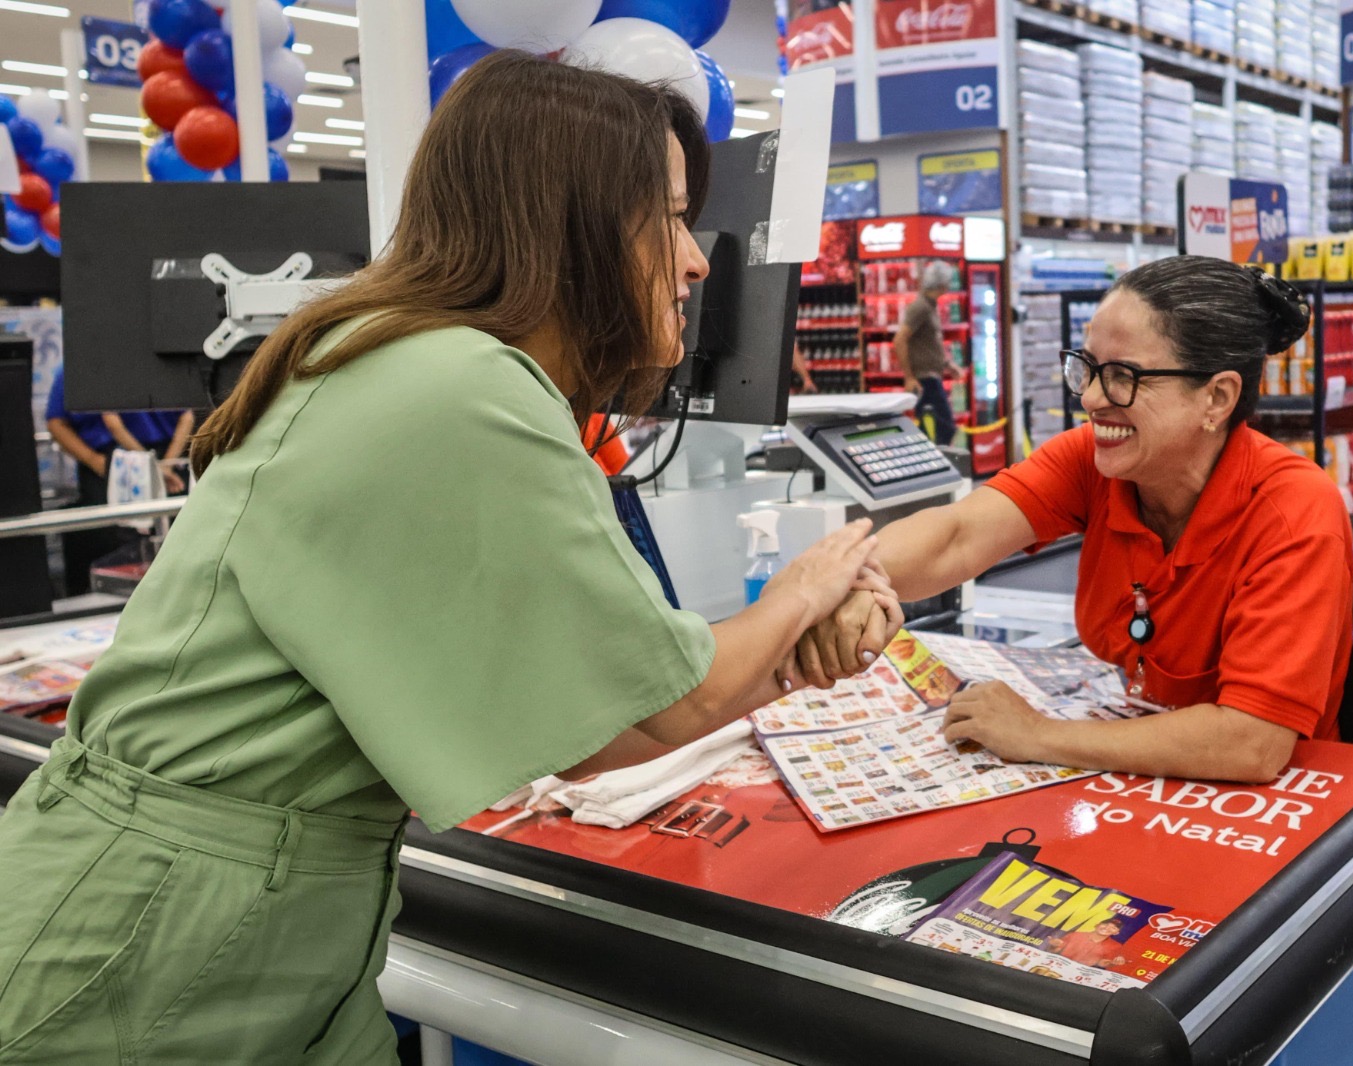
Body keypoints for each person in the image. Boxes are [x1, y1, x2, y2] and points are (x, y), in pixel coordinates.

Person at [0, 55, 898, 1065]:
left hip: (246, 915)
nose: (695, 261)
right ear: (572, 222)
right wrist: (804, 591)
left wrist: (784, 636)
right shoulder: (465, 384)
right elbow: (650, 709)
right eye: (669, 218)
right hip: (158, 941)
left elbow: (594, 682)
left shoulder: (395, 350)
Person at [799, 256, 1352, 785]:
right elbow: (957, 534)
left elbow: (1252, 743)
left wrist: (1038, 734)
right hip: (1139, 768)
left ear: (1217, 397)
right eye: (1086, 367)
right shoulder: (1096, 461)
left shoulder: (1294, 511)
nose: (1090, 397)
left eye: (1122, 376)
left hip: (1273, 811)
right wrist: (856, 583)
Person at [44, 367, 194, 594]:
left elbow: (186, 415)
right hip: (110, 463)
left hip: (168, 457)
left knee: (181, 534)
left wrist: (165, 464)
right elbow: (107, 424)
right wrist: (96, 461)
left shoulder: (158, 361)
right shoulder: (79, 366)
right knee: (109, 537)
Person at [895, 261, 959, 445]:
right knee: (944, 429)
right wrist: (909, 377)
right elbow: (900, 340)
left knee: (932, 430)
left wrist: (947, 364)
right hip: (925, 379)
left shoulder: (930, 306)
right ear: (942, 284)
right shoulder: (920, 307)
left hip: (931, 376)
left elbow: (930, 343)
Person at [1046, 919, 1127, 968]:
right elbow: (1054, 951)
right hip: (1059, 965)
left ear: (1116, 932)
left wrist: (1112, 963)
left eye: (1113, 928)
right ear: (1097, 925)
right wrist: (1053, 945)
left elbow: (1102, 963)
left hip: (1082, 973)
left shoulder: (1115, 946)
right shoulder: (1076, 934)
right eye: (1105, 924)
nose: (1107, 928)